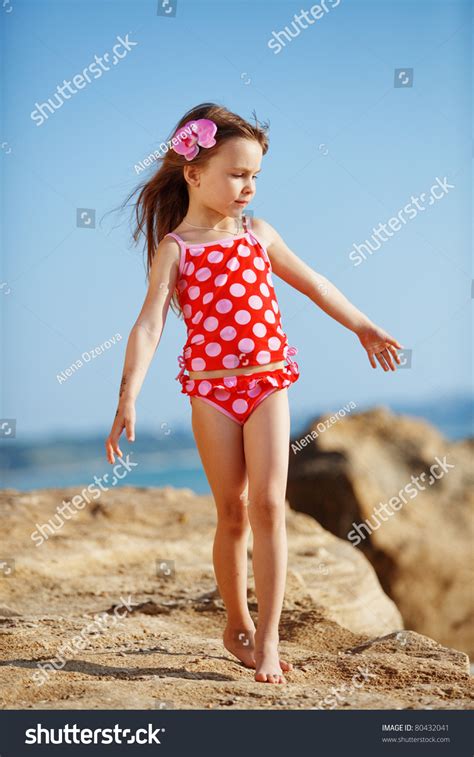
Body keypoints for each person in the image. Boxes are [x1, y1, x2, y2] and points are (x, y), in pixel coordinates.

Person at [105, 102, 403, 685]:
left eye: (255, 177)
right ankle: (235, 624)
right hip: (211, 396)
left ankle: (267, 640)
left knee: (269, 505)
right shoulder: (177, 249)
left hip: (267, 383)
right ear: (193, 173)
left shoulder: (258, 236)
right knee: (231, 513)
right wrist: (127, 396)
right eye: (236, 174)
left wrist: (362, 324)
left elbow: (314, 282)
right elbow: (148, 325)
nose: (248, 188)